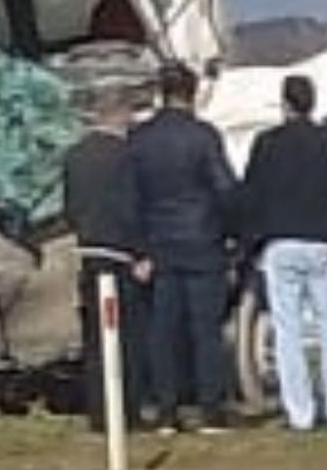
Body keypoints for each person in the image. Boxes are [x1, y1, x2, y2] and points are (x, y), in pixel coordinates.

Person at [241, 75, 327, 431]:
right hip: (322, 242)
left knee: (288, 331)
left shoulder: (267, 143)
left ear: (285, 104)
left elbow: (252, 195)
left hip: (281, 243)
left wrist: (255, 240)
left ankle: (301, 413)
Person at [126, 62, 237, 435]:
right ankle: (210, 411)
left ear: (161, 92)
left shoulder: (139, 138)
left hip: (158, 245)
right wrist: (232, 233)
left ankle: (166, 410)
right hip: (203, 242)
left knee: (163, 331)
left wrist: (139, 249)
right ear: (191, 94)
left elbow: (132, 198)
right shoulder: (204, 136)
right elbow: (224, 188)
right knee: (206, 331)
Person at [63, 87, 150, 432]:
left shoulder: (74, 156)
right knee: (126, 338)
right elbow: (132, 208)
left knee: (96, 339)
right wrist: (142, 253)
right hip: (121, 254)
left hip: (88, 252)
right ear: (118, 116)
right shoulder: (126, 156)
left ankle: (98, 412)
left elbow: (70, 207)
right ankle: (127, 411)